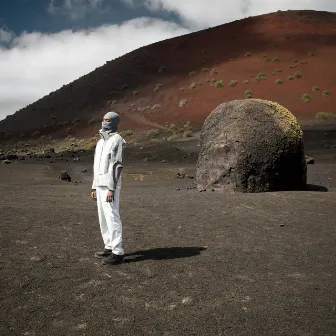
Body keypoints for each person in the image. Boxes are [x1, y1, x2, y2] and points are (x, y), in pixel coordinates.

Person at [91, 111, 126, 265]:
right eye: (103, 119)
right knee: (103, 217)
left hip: (110, 185)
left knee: (112, 216)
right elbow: (95, 165)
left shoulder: (117, 139)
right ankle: (108, 246)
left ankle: (117, 251)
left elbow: (117, 165)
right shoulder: (100, 142)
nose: (105, 122)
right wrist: (93, 186)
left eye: (108, 120)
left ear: (115, 122)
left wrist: (111, 188)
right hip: (100, 184)